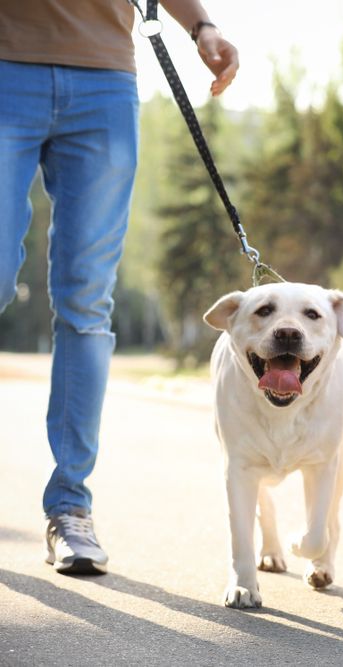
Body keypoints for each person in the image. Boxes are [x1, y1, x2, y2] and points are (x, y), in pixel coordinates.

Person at [0, 0, 238, 575]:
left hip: (105, 79)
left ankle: (70, 507)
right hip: (7, 65)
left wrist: (200, 23)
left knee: (86, 301)